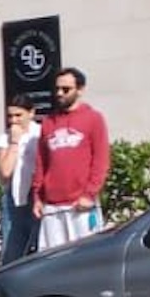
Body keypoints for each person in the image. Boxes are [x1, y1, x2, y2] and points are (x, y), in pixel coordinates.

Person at [33, 67, 110, 249]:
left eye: (66, 89)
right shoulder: (48, 122)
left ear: (80, 90)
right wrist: (37, 196)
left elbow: (101, 160)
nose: (59, 93)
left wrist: (89, 194)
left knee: (85, 259)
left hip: (80, 205)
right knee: (51, 261)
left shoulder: (93, 118)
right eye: (57, 89)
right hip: (52, 206)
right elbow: (41, 161)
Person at [0, 94, 42, 264]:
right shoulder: (3, 140)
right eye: (10, 116)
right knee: (13, 253)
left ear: (31, 113)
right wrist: (14, 143)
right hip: (15, 199)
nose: (14, 120)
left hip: (39, 196)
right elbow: (5, 171)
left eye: (18, 115)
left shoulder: (40, 134)